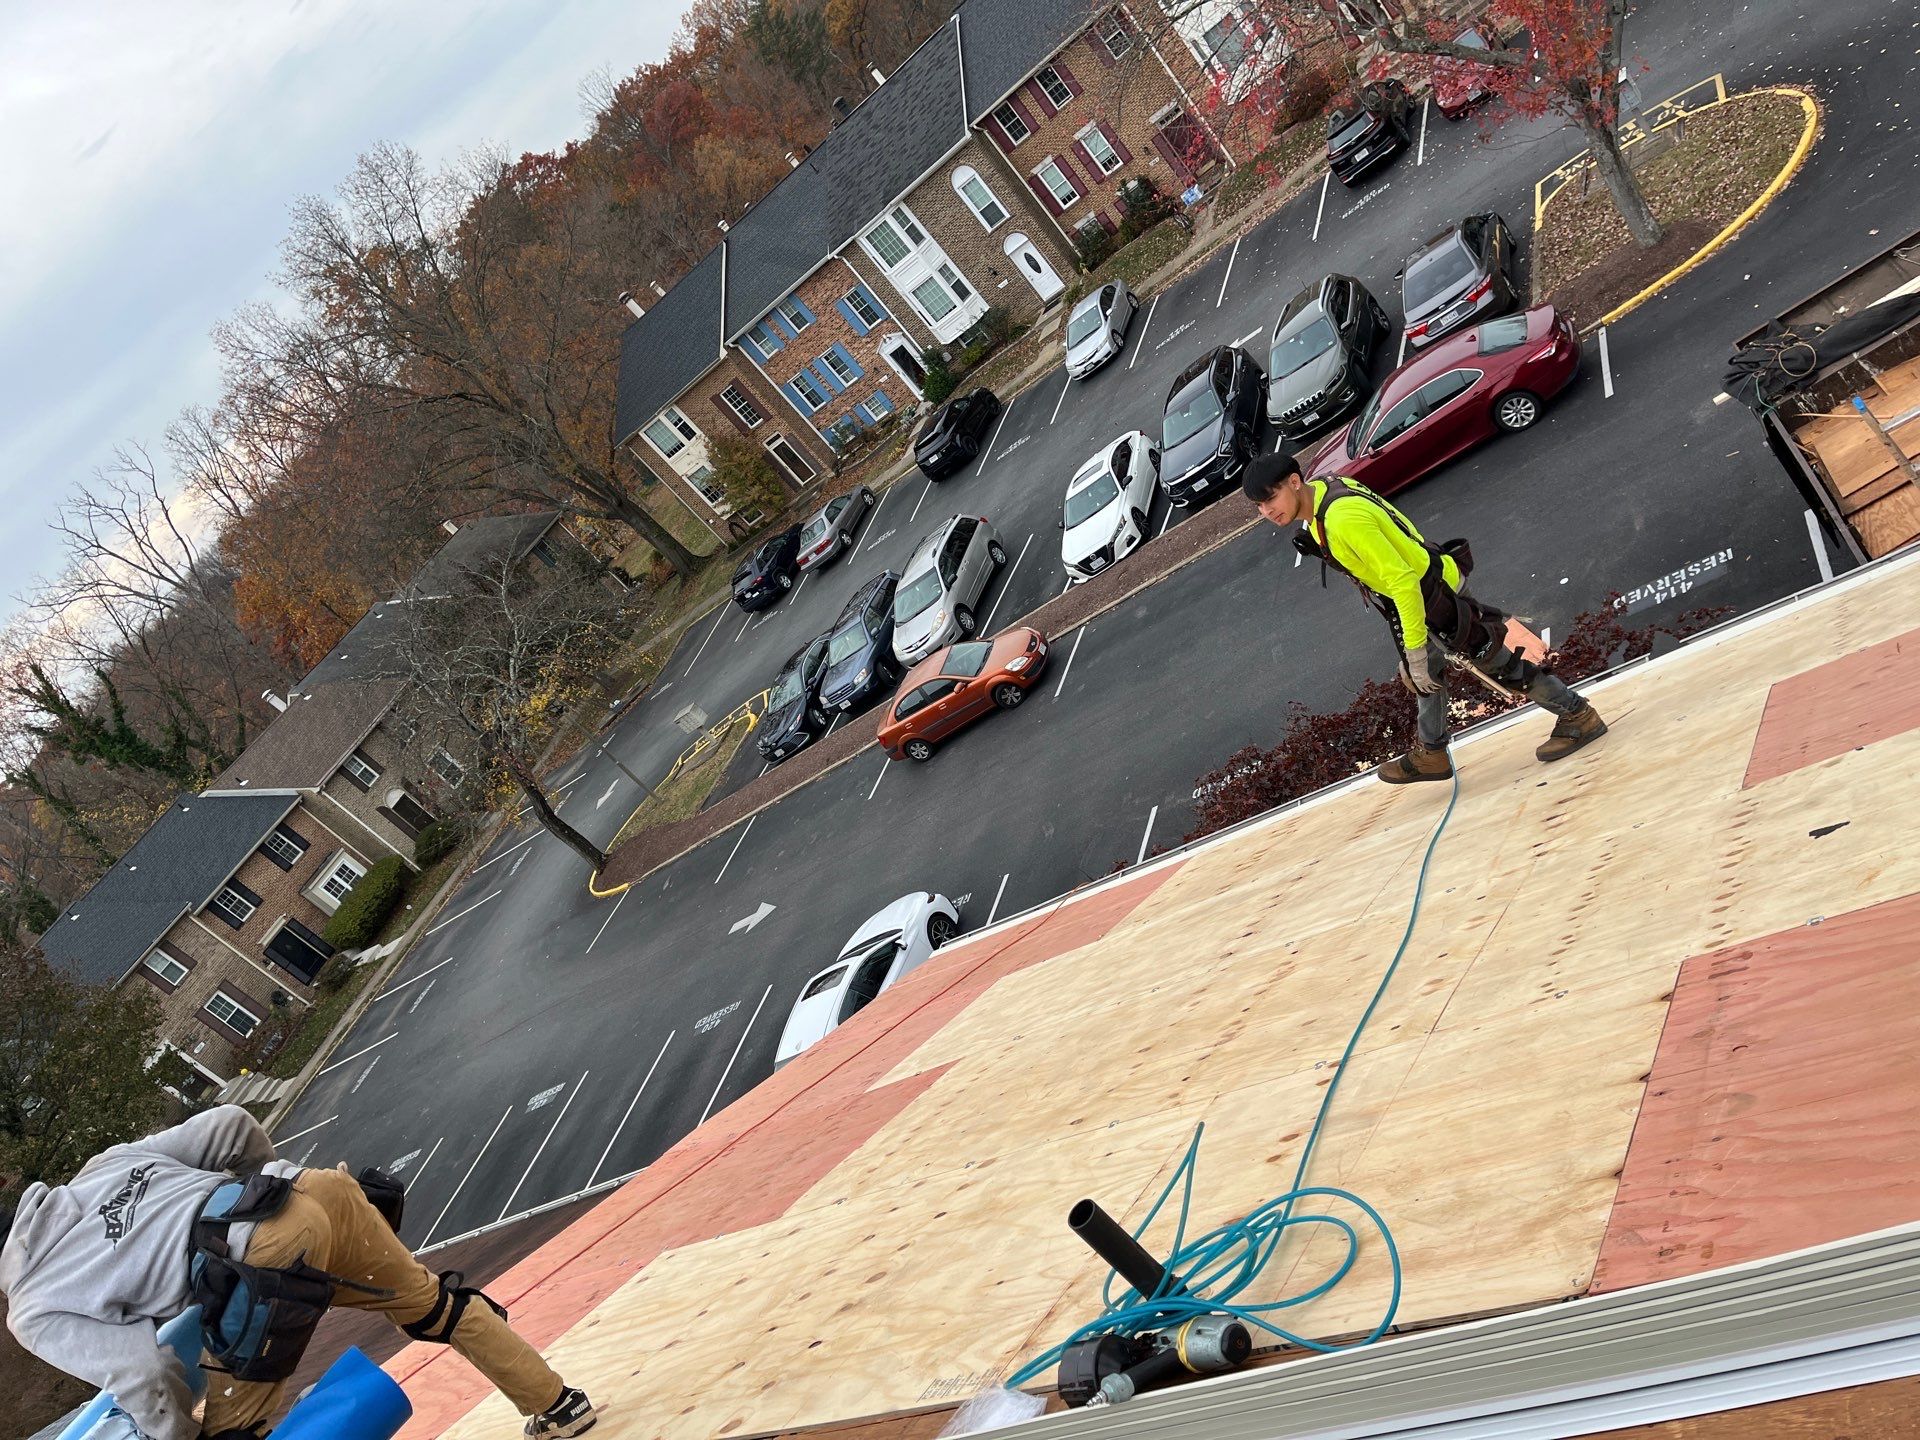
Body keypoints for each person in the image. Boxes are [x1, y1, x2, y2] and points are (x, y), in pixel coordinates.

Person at [0, 1106, 598, 1439]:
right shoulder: (103, 1167)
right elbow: (228, 1126)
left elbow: (145, 1373)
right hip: (311, 1192)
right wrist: (270, 1188)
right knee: (436, 1307)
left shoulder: (32, 1305)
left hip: (256, 1266)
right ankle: (561, 1407)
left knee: (234, 1437)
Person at [1242, 452, 1606, 782]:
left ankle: (1577, 715)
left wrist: (1414, 650)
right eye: (1259, 506)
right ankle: (1432, 753)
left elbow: (1402, 583)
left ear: (1294, 482)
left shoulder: (1341, 518)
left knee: (1493, 660)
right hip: (1426, 587)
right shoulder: (1327, 491)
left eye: (1270, 499)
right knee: (1424, 675)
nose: (1267, 512)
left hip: (1433, 596)